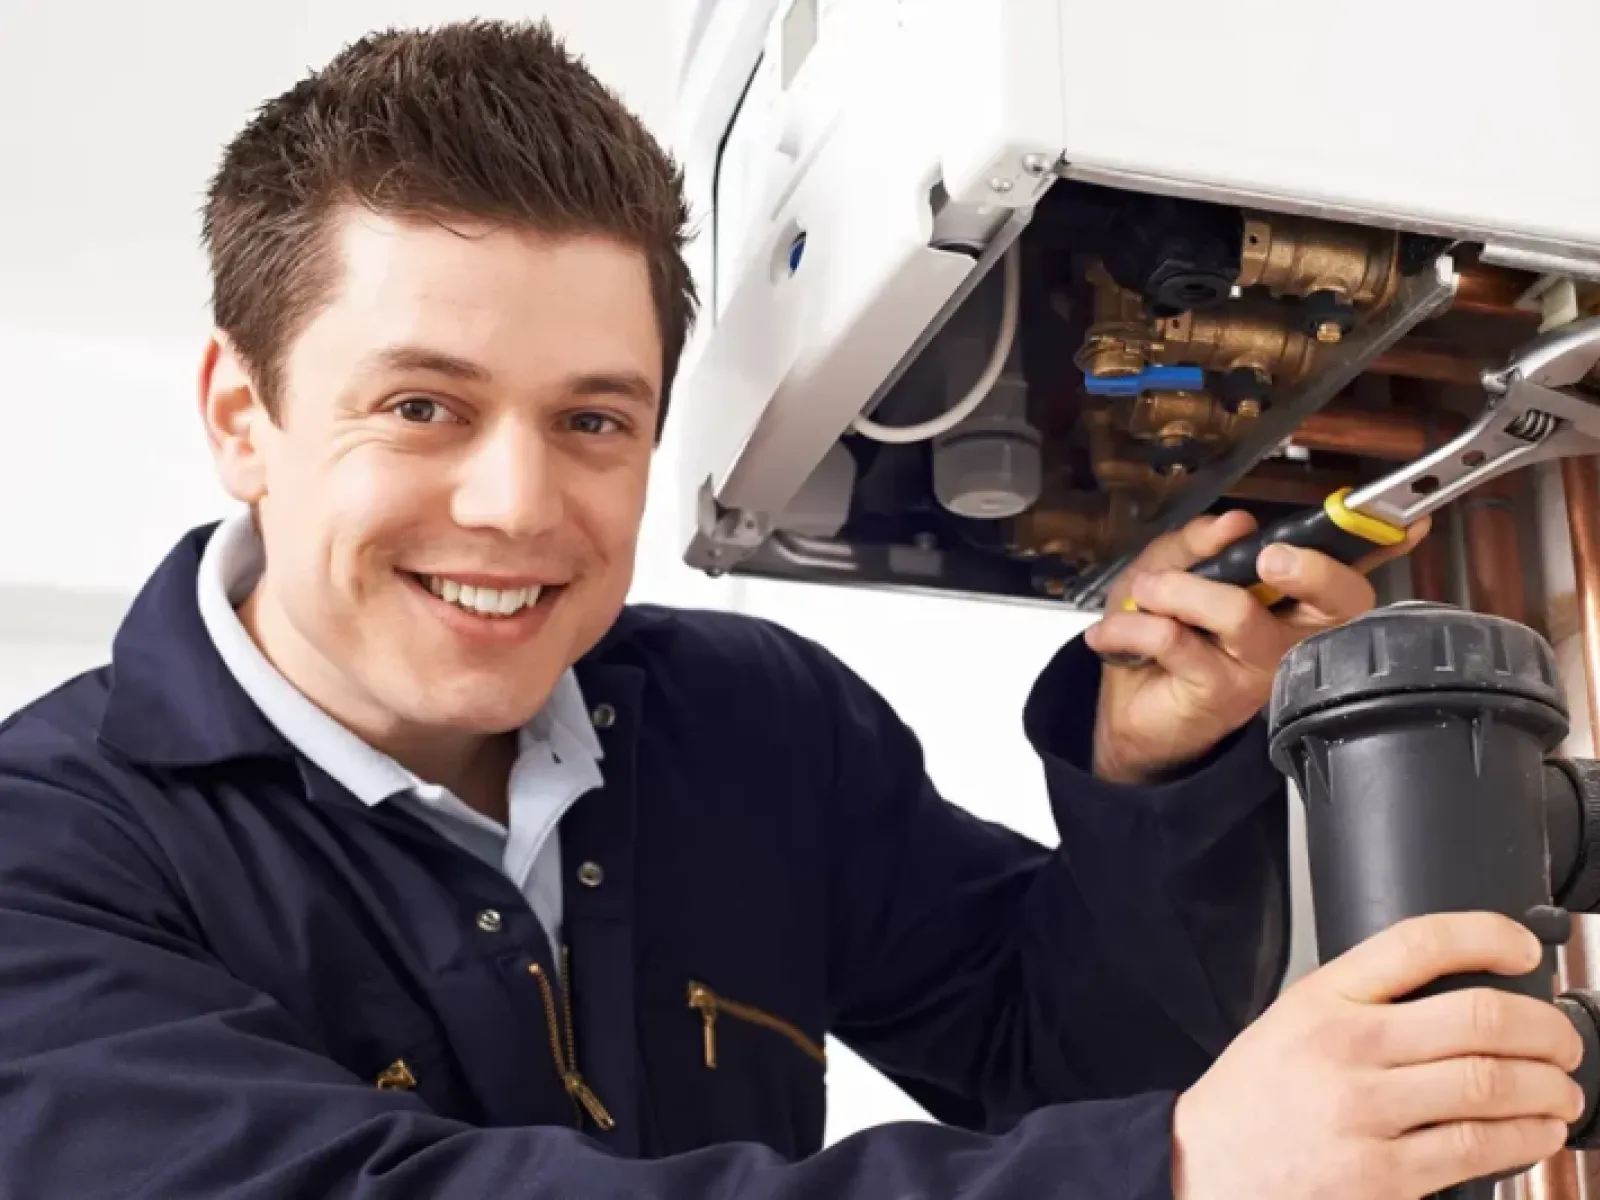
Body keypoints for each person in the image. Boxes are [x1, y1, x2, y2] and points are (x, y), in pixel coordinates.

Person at [0, 19, 1583, 1200]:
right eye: (422, 406)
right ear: (239, 412)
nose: (518, 507)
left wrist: (1147, 773)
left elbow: (1067, 1061)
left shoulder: (748, 724)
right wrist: (1162, 1169)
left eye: (594, 420)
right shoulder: (47, 856)